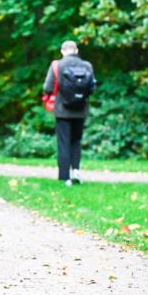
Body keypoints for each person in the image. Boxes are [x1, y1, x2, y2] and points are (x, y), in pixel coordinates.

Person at [42, 40, 95, 186]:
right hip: (81, 110)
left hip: (62, 110)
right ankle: (76, 171)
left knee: (63, 142)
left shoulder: (57, 65)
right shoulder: (87, 65)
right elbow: (92, 89)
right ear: (76, 51)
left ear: (62, 51)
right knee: (76, 141)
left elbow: (47, 87)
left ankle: (64, 177)